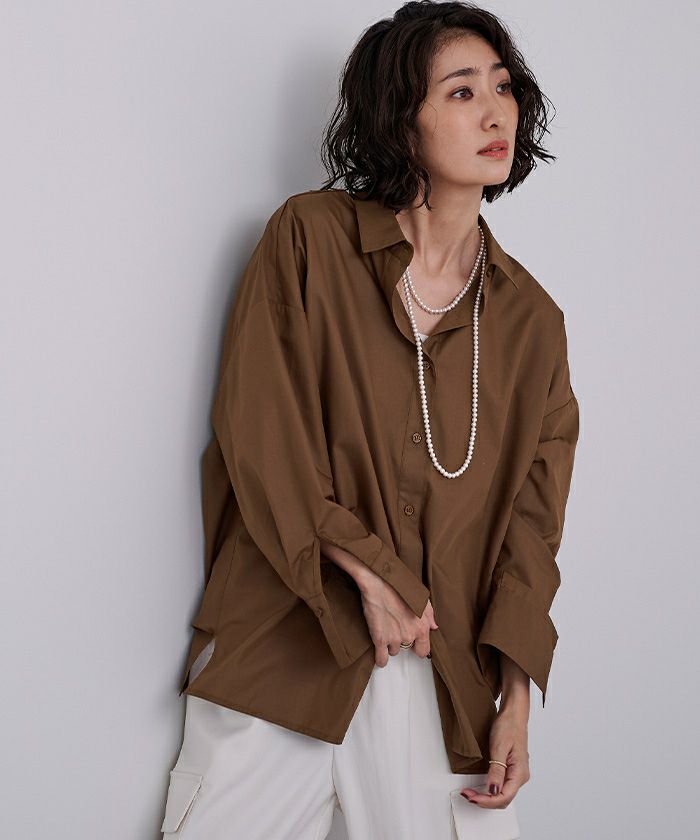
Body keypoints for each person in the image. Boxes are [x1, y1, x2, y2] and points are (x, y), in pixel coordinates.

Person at [159, 2, 580, 837]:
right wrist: (371, 572)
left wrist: (516, 697)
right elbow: (261, 438)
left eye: (504, 88)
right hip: (286, 643)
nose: (496, 113)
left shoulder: (532, 323)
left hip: (438, 668)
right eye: (461, 91)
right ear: (400, 118)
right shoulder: (309, 240)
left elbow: (532, 534)